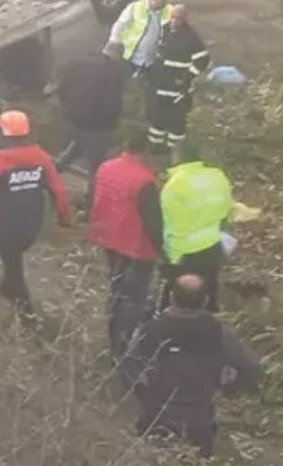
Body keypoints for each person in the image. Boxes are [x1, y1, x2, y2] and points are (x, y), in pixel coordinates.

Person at [132, 274, 262, 458]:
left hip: (156, 419)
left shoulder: (150, 330)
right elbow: (251, 370)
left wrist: (145, 393)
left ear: (171, 297)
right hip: (198, 423)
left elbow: (130, 366)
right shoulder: (218, 333)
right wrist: (227, 389)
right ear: (205, 300)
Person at [0, 111, 72, 324]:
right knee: (14, 261)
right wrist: (64, 218)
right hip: (32, 224)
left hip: (7, 224)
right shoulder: (42, 158)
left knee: (13, 267)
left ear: (0, 133)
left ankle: (27, 316)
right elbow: (58, 190)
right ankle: (7, 290)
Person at [87, 131, 163, 386]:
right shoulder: (144, 181)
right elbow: (153, 222)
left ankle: (114, 340)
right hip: (135, 247)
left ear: (124, 145)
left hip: (109, 240)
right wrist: (164, 250)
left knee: (118, 289)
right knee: (132, 300)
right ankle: (124, 356)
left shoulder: (106, 168)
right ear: (145, 152)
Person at [157, 143, 233, 314]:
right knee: (209, 288)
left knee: (180, 296)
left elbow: (171, 224)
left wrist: (172, 258)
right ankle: (210, 320)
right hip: (213, 243)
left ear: (177, 159)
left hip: (186, 251)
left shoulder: (175, 185)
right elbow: (227, 209)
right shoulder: (218, 176)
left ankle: (171, 329)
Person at [55, 40, 128, 207]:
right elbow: (112, 102)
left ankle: (49, 172)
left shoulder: (79, 64)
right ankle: (92, 205)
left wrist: (69, 109)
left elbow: (62, 88)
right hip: (99, 125)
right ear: (118, 56)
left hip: (74, 120)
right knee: (96, 166)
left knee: (77, 147)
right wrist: (113, 121)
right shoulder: (112, 73)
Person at [146, 5, 211, 152]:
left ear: (184, 19)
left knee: (176, 121)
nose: (175, 21)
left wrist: (187, 77)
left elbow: (202, 59)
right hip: (158, 86)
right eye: (173, 17)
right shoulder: (163, 30)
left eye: (178, 18)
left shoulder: (191, 37)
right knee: (156, 117)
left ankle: (175, 151)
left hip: (177, 89)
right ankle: (156, 148)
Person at [109, 0, 171, 76]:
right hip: (130, 58)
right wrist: (114, 41)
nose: (165, 2)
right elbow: (120, 24)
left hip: (151, 60)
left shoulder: (168, 10)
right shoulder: (135, 7)